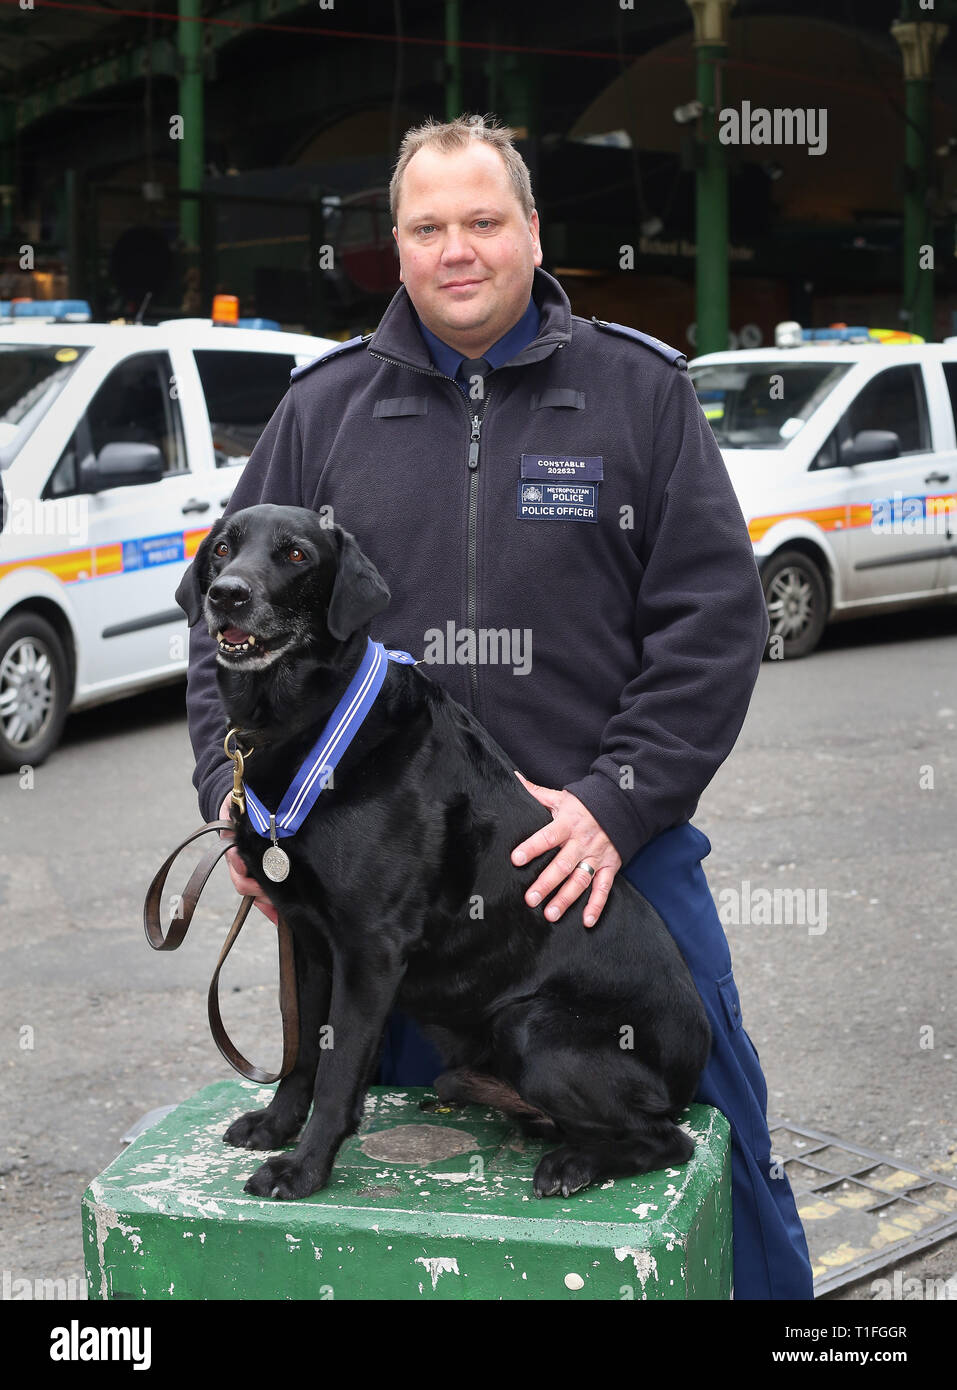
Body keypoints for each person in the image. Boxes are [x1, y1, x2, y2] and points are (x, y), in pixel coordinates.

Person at [181, 113, 814, 1300]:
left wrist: (615, 805)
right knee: (402, 1229)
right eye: (427, 226)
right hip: (393, 909)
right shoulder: (321, 411)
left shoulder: (639, 394)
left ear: (530, 229)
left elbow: (713, 624)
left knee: (728, 1192)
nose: (455, 248)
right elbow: (227, 624)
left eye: (482, 220)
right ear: (396, 244)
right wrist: (233, 791)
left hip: (607, 882)